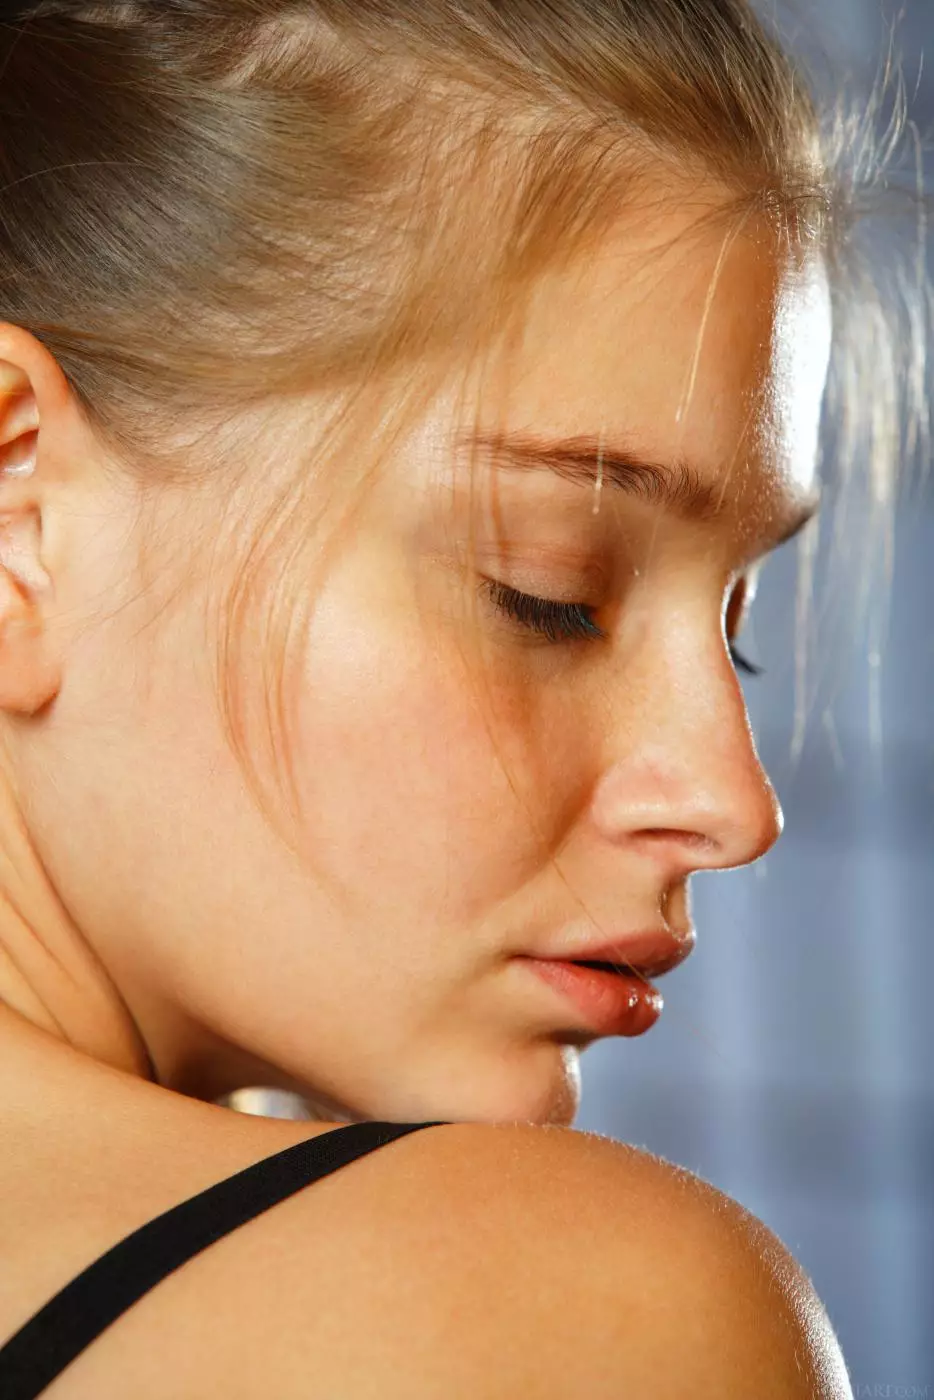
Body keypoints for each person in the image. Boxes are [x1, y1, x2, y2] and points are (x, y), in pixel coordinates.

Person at [0, 0, 901, 1394]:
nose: (734, 805)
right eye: (549, 594)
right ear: (21, 520)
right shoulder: (556, 1314)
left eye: (735, 636)